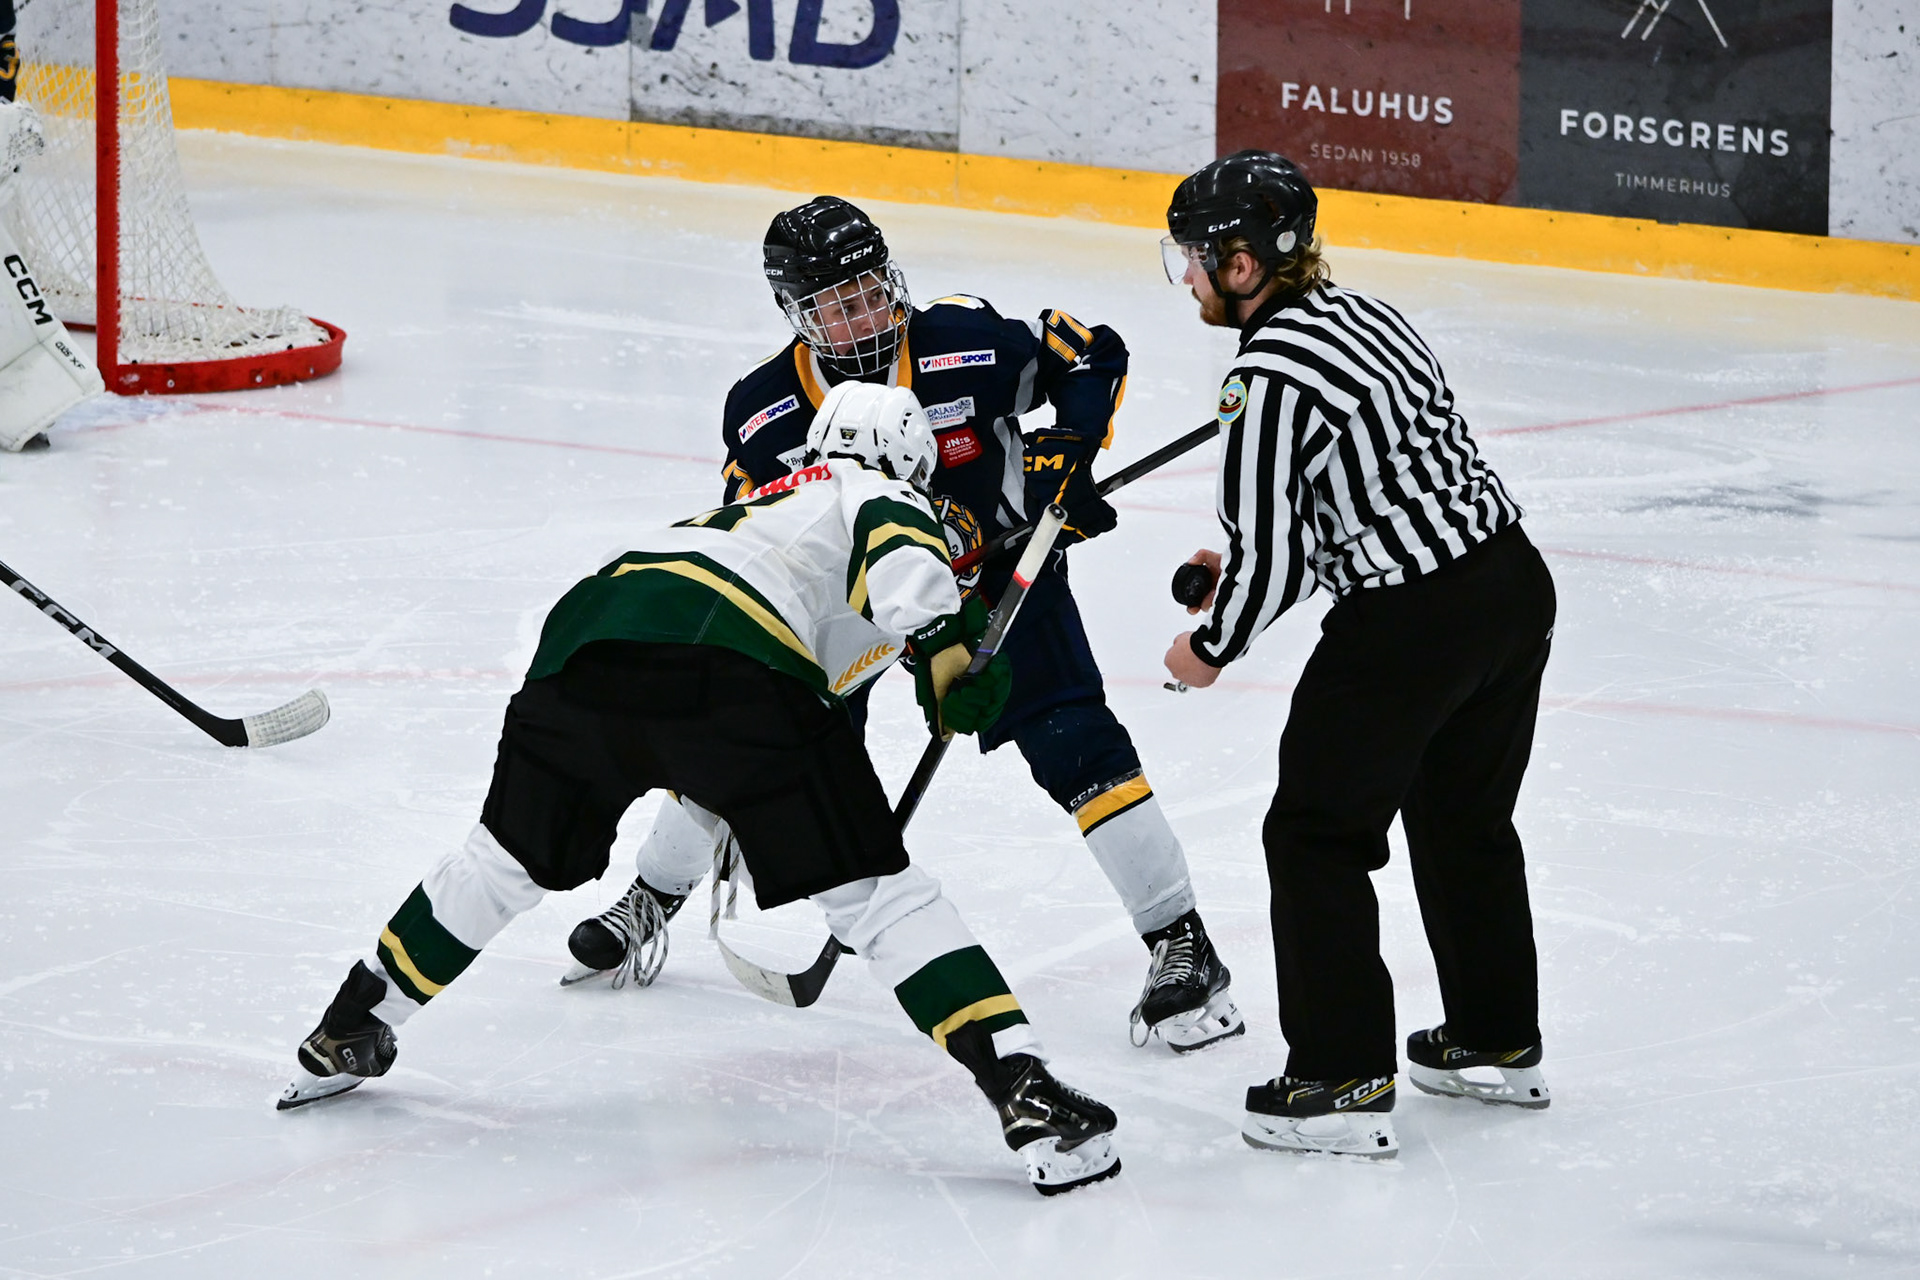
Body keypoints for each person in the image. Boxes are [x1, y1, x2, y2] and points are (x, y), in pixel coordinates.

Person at [280, 383, 1123, 1197]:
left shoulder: (752, 507)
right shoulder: (877, 490)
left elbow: (828, 645)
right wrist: (945, 646)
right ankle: (1023, 1087)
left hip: (584, 649)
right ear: (911, 465)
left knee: (499, 862)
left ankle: (349, 1023)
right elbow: (901, 564)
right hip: (734, 665)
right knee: (879, 899)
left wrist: (944, 657)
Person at [564, 196, 1243, 1053]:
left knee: (1074, 741)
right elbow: (759, 536)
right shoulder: (765, 410)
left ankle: (1182, 943)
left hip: (998, 578)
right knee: (746, 732)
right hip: (850, 607)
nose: (862, 318)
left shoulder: (966, 342)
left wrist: (1068, 455)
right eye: (835, 307)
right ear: (796, 314)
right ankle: (653, 895)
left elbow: (1088, 352)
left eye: (869, 294)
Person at [1158, 150, 1557, 1158]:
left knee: (1315, 836)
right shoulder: (1366, 314)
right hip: (1509, 586)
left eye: (1196, 257)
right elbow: (1369, 487)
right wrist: (1252, 565)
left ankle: (1339, 1076)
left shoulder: (1264, 377)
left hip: (1409, 626)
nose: (1188, 275)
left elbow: (1275, 555)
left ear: (1243, 264)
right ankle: (1495, 1037)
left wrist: (1208, 643)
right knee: (1465, 819)